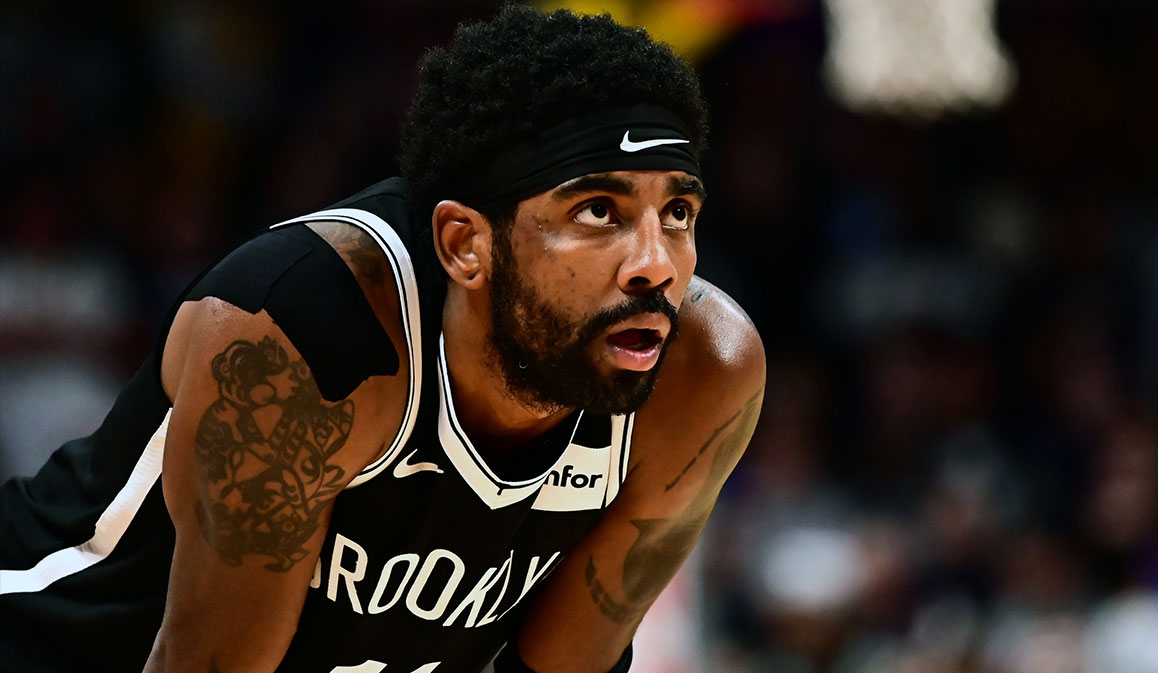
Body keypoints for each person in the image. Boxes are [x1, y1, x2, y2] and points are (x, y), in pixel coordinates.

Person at [0, 6, 765, 673]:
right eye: (598, 211)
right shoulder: (310, 335)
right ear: (466, 244)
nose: (656, 265)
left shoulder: (706, 371)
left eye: (679, 214)